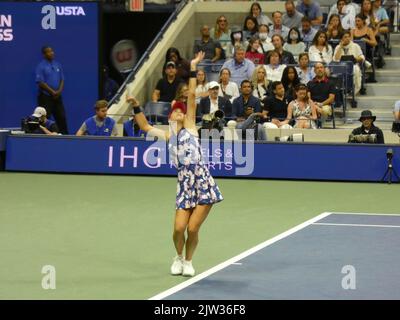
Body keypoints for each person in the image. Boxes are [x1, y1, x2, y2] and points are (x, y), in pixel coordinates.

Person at [126, 52, 223, 277]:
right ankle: (178, 257)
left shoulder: (190, 125)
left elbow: (190, 98)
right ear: (171, 116)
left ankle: (188, 261)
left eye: (182, 110)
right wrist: (136, 105)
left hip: (202, 182)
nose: (180, 111)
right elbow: (144, 126)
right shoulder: (169, 135)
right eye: (176, 110)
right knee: (178, 229)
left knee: (193, 228)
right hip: (184, 185)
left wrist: (192, 67)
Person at [35, 46, 68, 134]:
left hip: (57, 97)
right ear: (44, 54)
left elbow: (62, 79)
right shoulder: (41, 66)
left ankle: (64, 137)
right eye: (49, 52)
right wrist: (52, 92)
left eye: (52, 51)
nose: (51, 53)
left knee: (62, 117)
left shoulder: (57, 64)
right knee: (45, 119)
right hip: (45, 97)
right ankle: (47, 138)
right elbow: (40, 82)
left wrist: (59, 91)